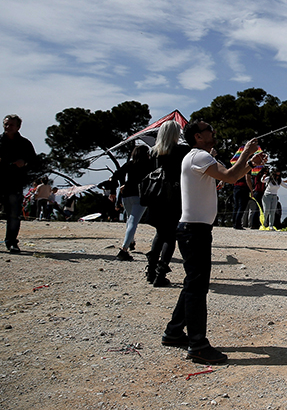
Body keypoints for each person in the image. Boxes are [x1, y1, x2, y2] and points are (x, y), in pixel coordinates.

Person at [161, 120, 266, 365]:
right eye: (209, 130)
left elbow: (234, 174)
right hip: (193, 231)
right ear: (198, 136)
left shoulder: (199, 158)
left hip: (195, 230)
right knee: (197, 288)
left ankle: (174, 332)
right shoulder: (198, 157)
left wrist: (249, 163)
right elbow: (230, 176)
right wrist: (248, 152)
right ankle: (198, 345)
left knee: (193, 284)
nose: (213, 133)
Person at [145, 120, 191, 288]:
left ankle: (150, 270)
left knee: (159, 234)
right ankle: (161, 273)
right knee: (170, 236)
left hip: (155, 197)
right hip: (174, 197)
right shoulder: (181, 151)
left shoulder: (154, 152)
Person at [109, 146, 152, 260]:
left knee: (129, 218)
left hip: (126, 194)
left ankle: (131, 241)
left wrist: (113, 191)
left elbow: (115, 175)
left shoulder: (130, 164)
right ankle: (124, 249)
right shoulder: (150, 164)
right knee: (133, 220)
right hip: (140, 195)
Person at [1, 115, 36, 254]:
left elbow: (35, 162)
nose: (7, 127)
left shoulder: (24, 144)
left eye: (11, 125)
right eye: (6, 124)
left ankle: (11, 242)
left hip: (14, 183)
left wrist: (24, 163)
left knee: (14, 214)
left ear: (18, 127)